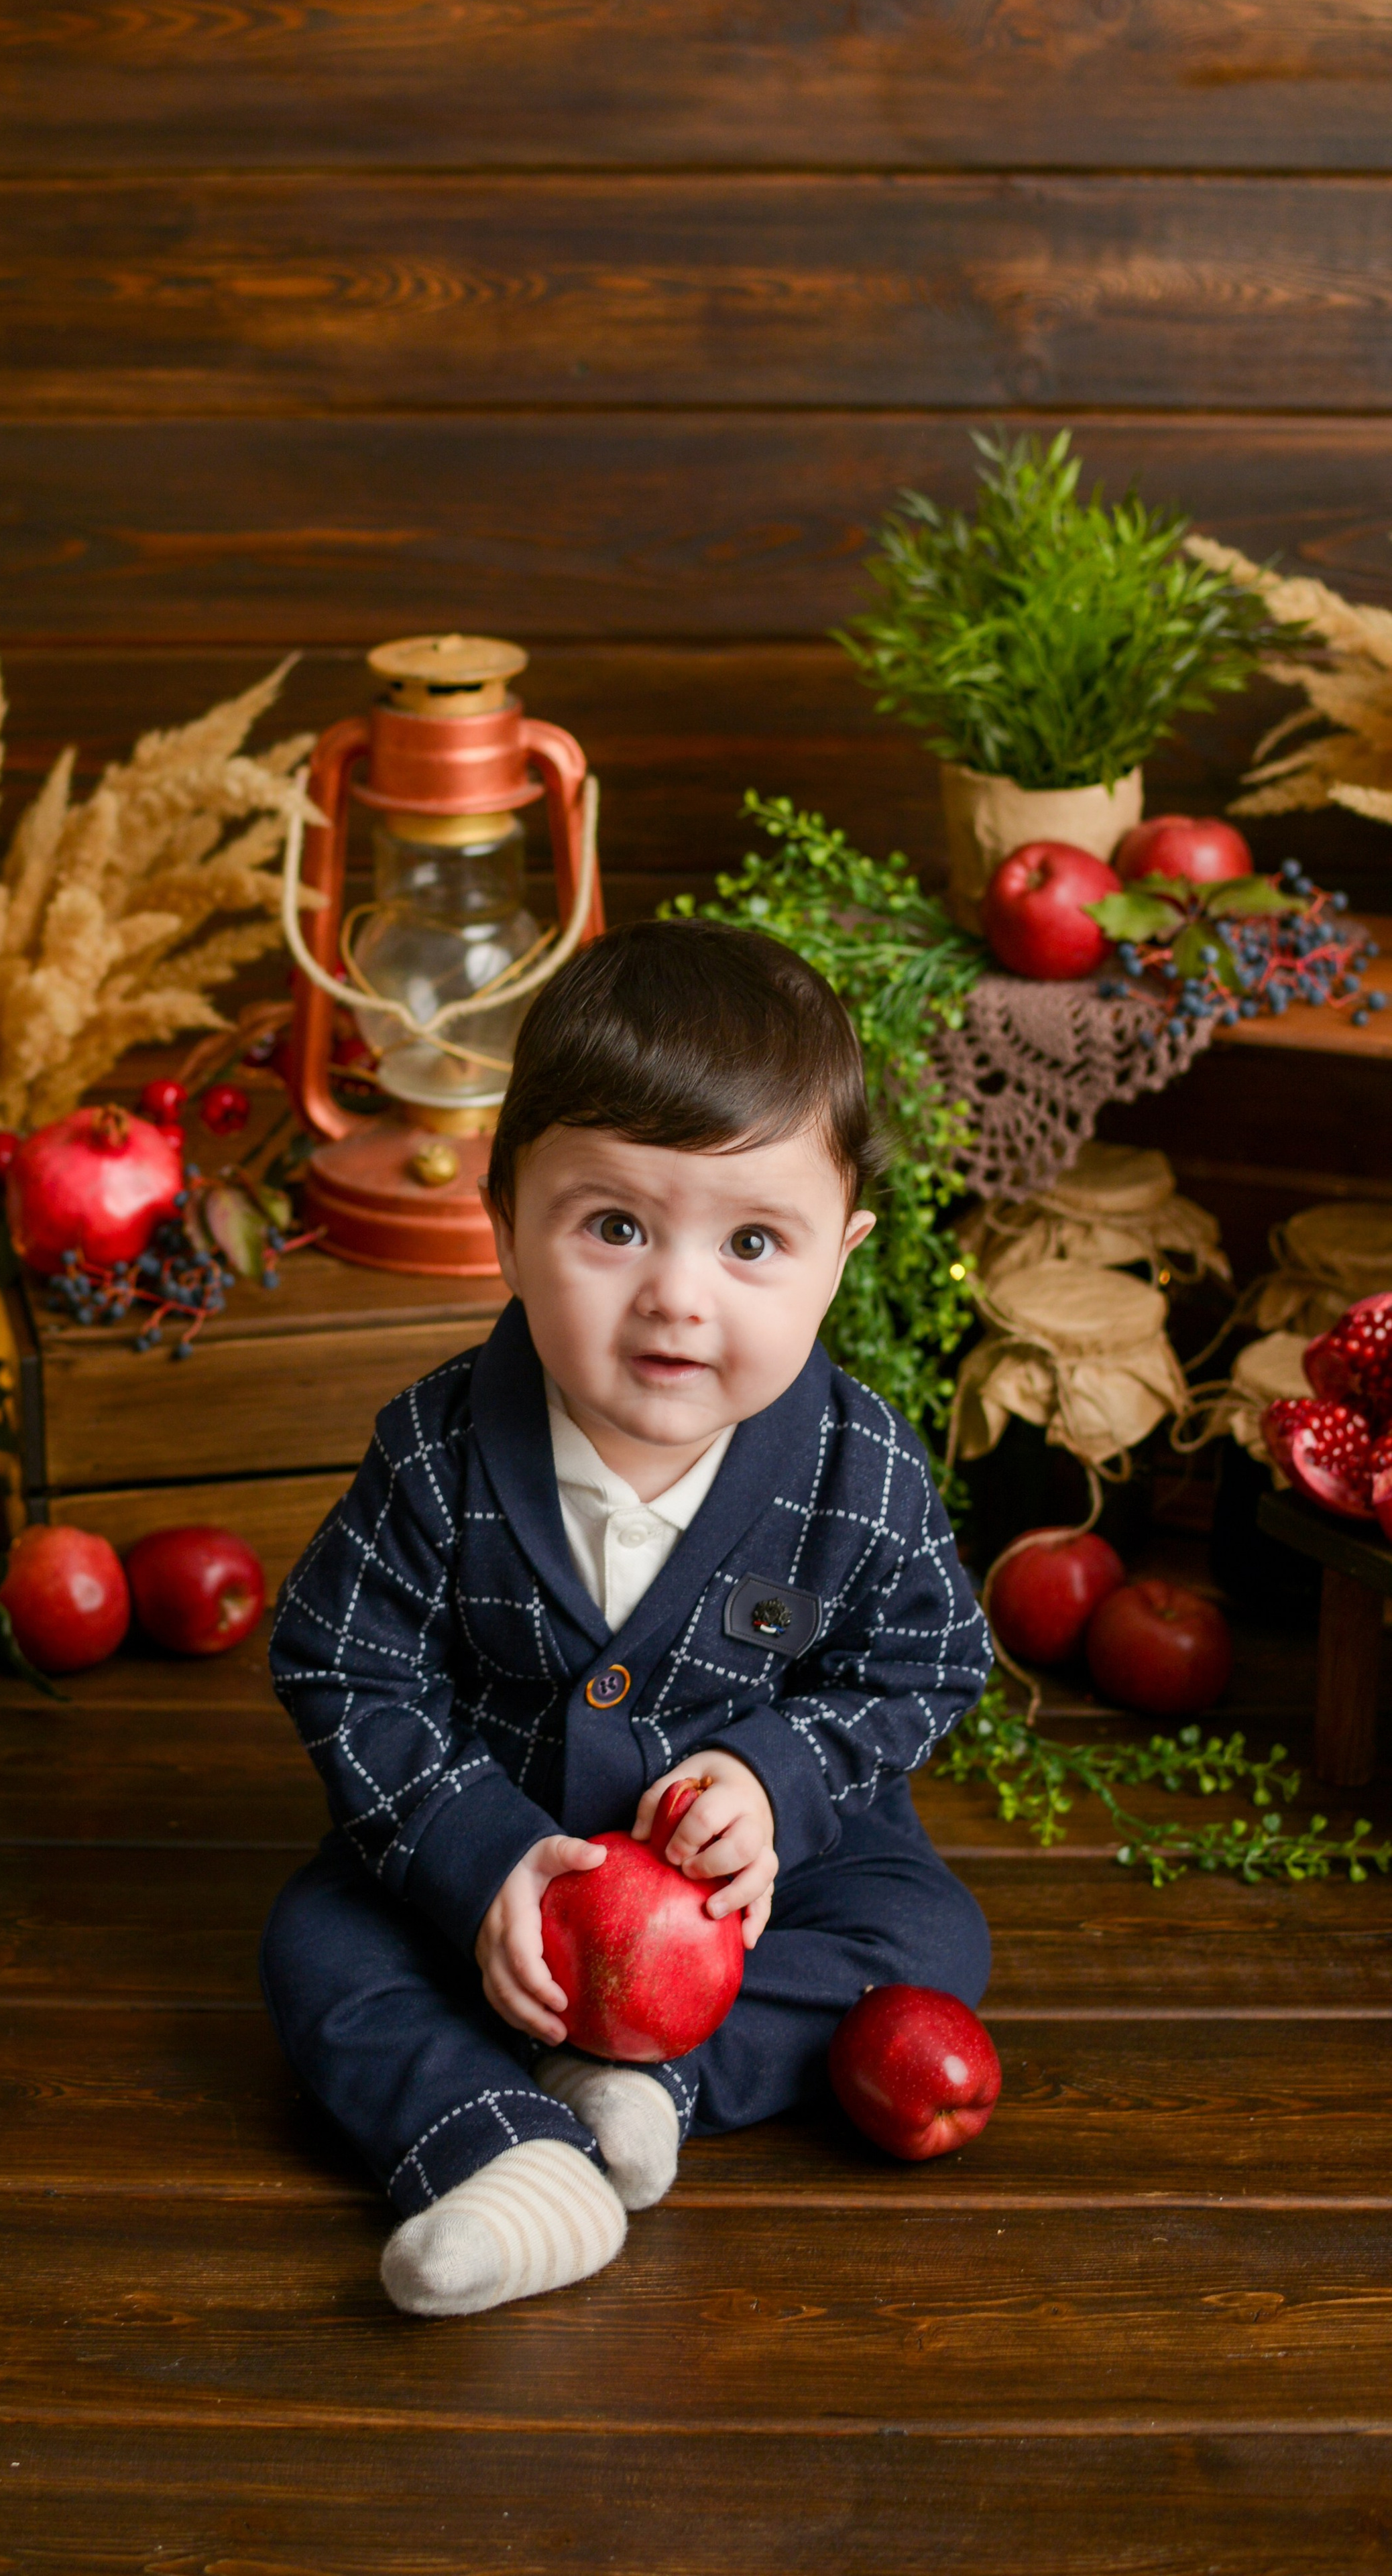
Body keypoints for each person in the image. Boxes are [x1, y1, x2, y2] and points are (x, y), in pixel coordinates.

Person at [262, 920, 992, 2316]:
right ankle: (499, 2153)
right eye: (612, 1224)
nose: (675, 1294)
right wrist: (474, 1857)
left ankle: (644, 2078)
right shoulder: (437, 1449)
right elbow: (341, 1662)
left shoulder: (858, 1468)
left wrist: (780, 1779)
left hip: (748, 1884)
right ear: (506, 1221)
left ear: (841, 1254)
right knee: (317, 1947)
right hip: (489, 1844)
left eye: (754, 1241)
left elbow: (924, 1658)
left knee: (929, 1939)